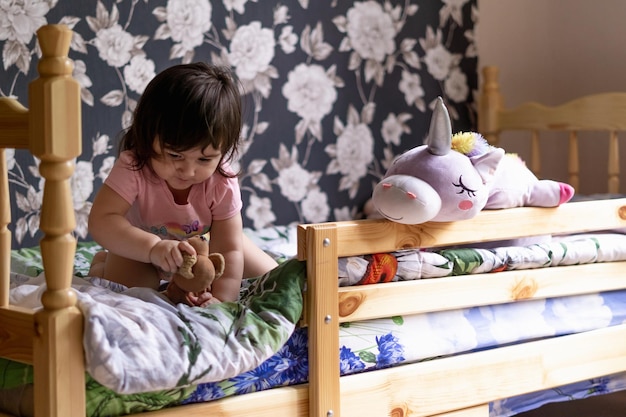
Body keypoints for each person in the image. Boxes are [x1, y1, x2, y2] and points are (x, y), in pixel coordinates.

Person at [88, 62, 277, 306]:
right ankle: (101, 263)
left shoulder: (221, 182)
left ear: (223, 151)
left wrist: (221, 300)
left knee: (273, 278)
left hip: (201, 249)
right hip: (140, 247)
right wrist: (152, 248)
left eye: (204, 159)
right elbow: (102, 220)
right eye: (175, 155)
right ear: (148, 136)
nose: (188, 171)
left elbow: (228, 249)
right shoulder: (134, 167)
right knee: (134, 294)